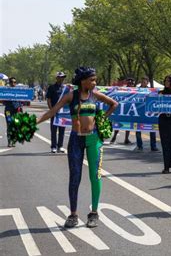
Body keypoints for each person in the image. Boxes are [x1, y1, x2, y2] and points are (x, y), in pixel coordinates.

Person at [37, 67, 118, 228]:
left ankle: (94, 213)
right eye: (92, 80)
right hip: (76, 140)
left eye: (95, 80)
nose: (94, 83)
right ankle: (73, 214)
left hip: (94, 139)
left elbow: (114, 104)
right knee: (75, 178)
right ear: (82, 81)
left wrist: (102, 119)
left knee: (95, 176)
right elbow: (52, 111)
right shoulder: (71, 96)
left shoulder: (95, 96)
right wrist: (33, 123)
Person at [135, 77, 159, 152]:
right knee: (138, 129)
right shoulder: (136, 90)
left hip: (149, 113)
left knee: (152, 129)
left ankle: (153, 146)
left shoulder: (151, 91)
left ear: (147, 82)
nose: (143, 83)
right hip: (139, 113)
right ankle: (139, 146)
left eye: (145, 82)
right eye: (142, 81)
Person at [46, 72, 67, 153]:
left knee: (62, 130)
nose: (62, 79)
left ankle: (60, 146)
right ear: (57, 78)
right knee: (54, 130)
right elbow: (48, 99)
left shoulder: (65, 88)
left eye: (63, 77)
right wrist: (52, 110)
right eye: (60, 77)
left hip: (63, 113)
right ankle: (53, 146)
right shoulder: (52, 87)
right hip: (54, 111)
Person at [110, 78, 134, 145]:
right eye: (129, 83)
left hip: (130, 109)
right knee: (118, 124)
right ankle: (114, 137)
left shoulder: (135, 90)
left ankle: (126, 139)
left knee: (129, 125)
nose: (130, 84)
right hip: (122, 109)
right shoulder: (123, 89)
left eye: (131, 83)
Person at [4, 77, 23, 147]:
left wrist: (20, 109)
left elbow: (21, 100)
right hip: (8, 111)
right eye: (11, 82)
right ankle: (9, 141)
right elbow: (3, 101)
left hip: (16, 111)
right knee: (9, 125)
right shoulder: (6, 91)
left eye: (14, 82)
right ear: (9, 83)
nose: (13, 83)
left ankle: (14, 140)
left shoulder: (18, 91)